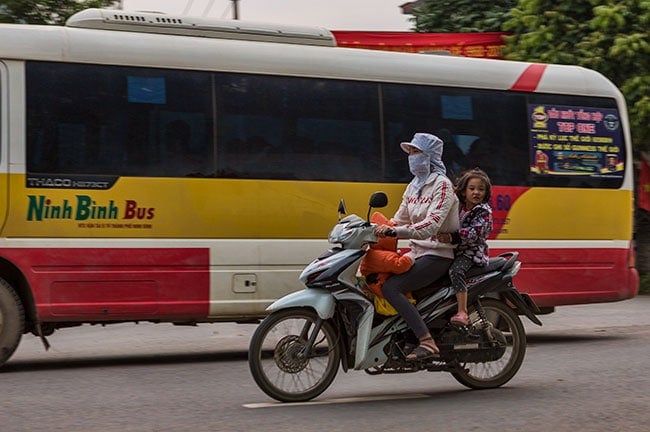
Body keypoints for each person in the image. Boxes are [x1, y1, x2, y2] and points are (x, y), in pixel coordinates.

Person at [375, 132, 459, 361]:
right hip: (416, 252)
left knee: (392, 288)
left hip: (437, 254)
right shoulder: (413, 186)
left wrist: (394, 231)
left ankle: (426, 341)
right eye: (410, 152)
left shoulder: (442, 185)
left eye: (416, 152)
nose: (411, 157)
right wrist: (371, 228)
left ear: (429, 156)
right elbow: (398, 218)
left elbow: (431, 226)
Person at [436, 168, 493, 326]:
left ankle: (462, 311)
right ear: (463, 191)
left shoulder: (484, 211)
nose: (476, 192)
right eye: (472, 188)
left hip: (471, 253)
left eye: (481, 189)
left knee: (456, 271)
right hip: (456, 250)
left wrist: (451, 237)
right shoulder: (459, 206)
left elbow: (474, 233)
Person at [360, 212, 414, 316]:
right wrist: (412, 256)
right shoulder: (383, 256)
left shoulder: (372, 253)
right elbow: (400, 265)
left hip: (376, 288)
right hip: (384, 295)